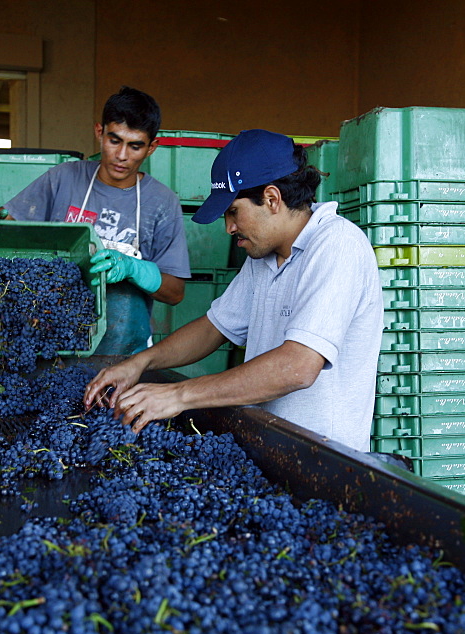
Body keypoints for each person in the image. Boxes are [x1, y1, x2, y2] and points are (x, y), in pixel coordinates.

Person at [83, 129, 384, 453]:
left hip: (324, 462)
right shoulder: (263, 257)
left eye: (233, 212)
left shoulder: (337, 246)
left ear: (272, 199)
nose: (229, 228)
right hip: (269, 449)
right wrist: (140, 363)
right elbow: (214, 328)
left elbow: (297, 367)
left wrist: (177, 395)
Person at [0, 86, 190, 355]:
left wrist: (135, 269)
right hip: (50, 346)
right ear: (99, 132)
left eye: (135, 146)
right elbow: (7, 226)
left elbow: (175, 293)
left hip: (122, 355)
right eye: (114, 140)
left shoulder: (162, 202)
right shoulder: (63, 178)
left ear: (152, 147)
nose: (122, 156)